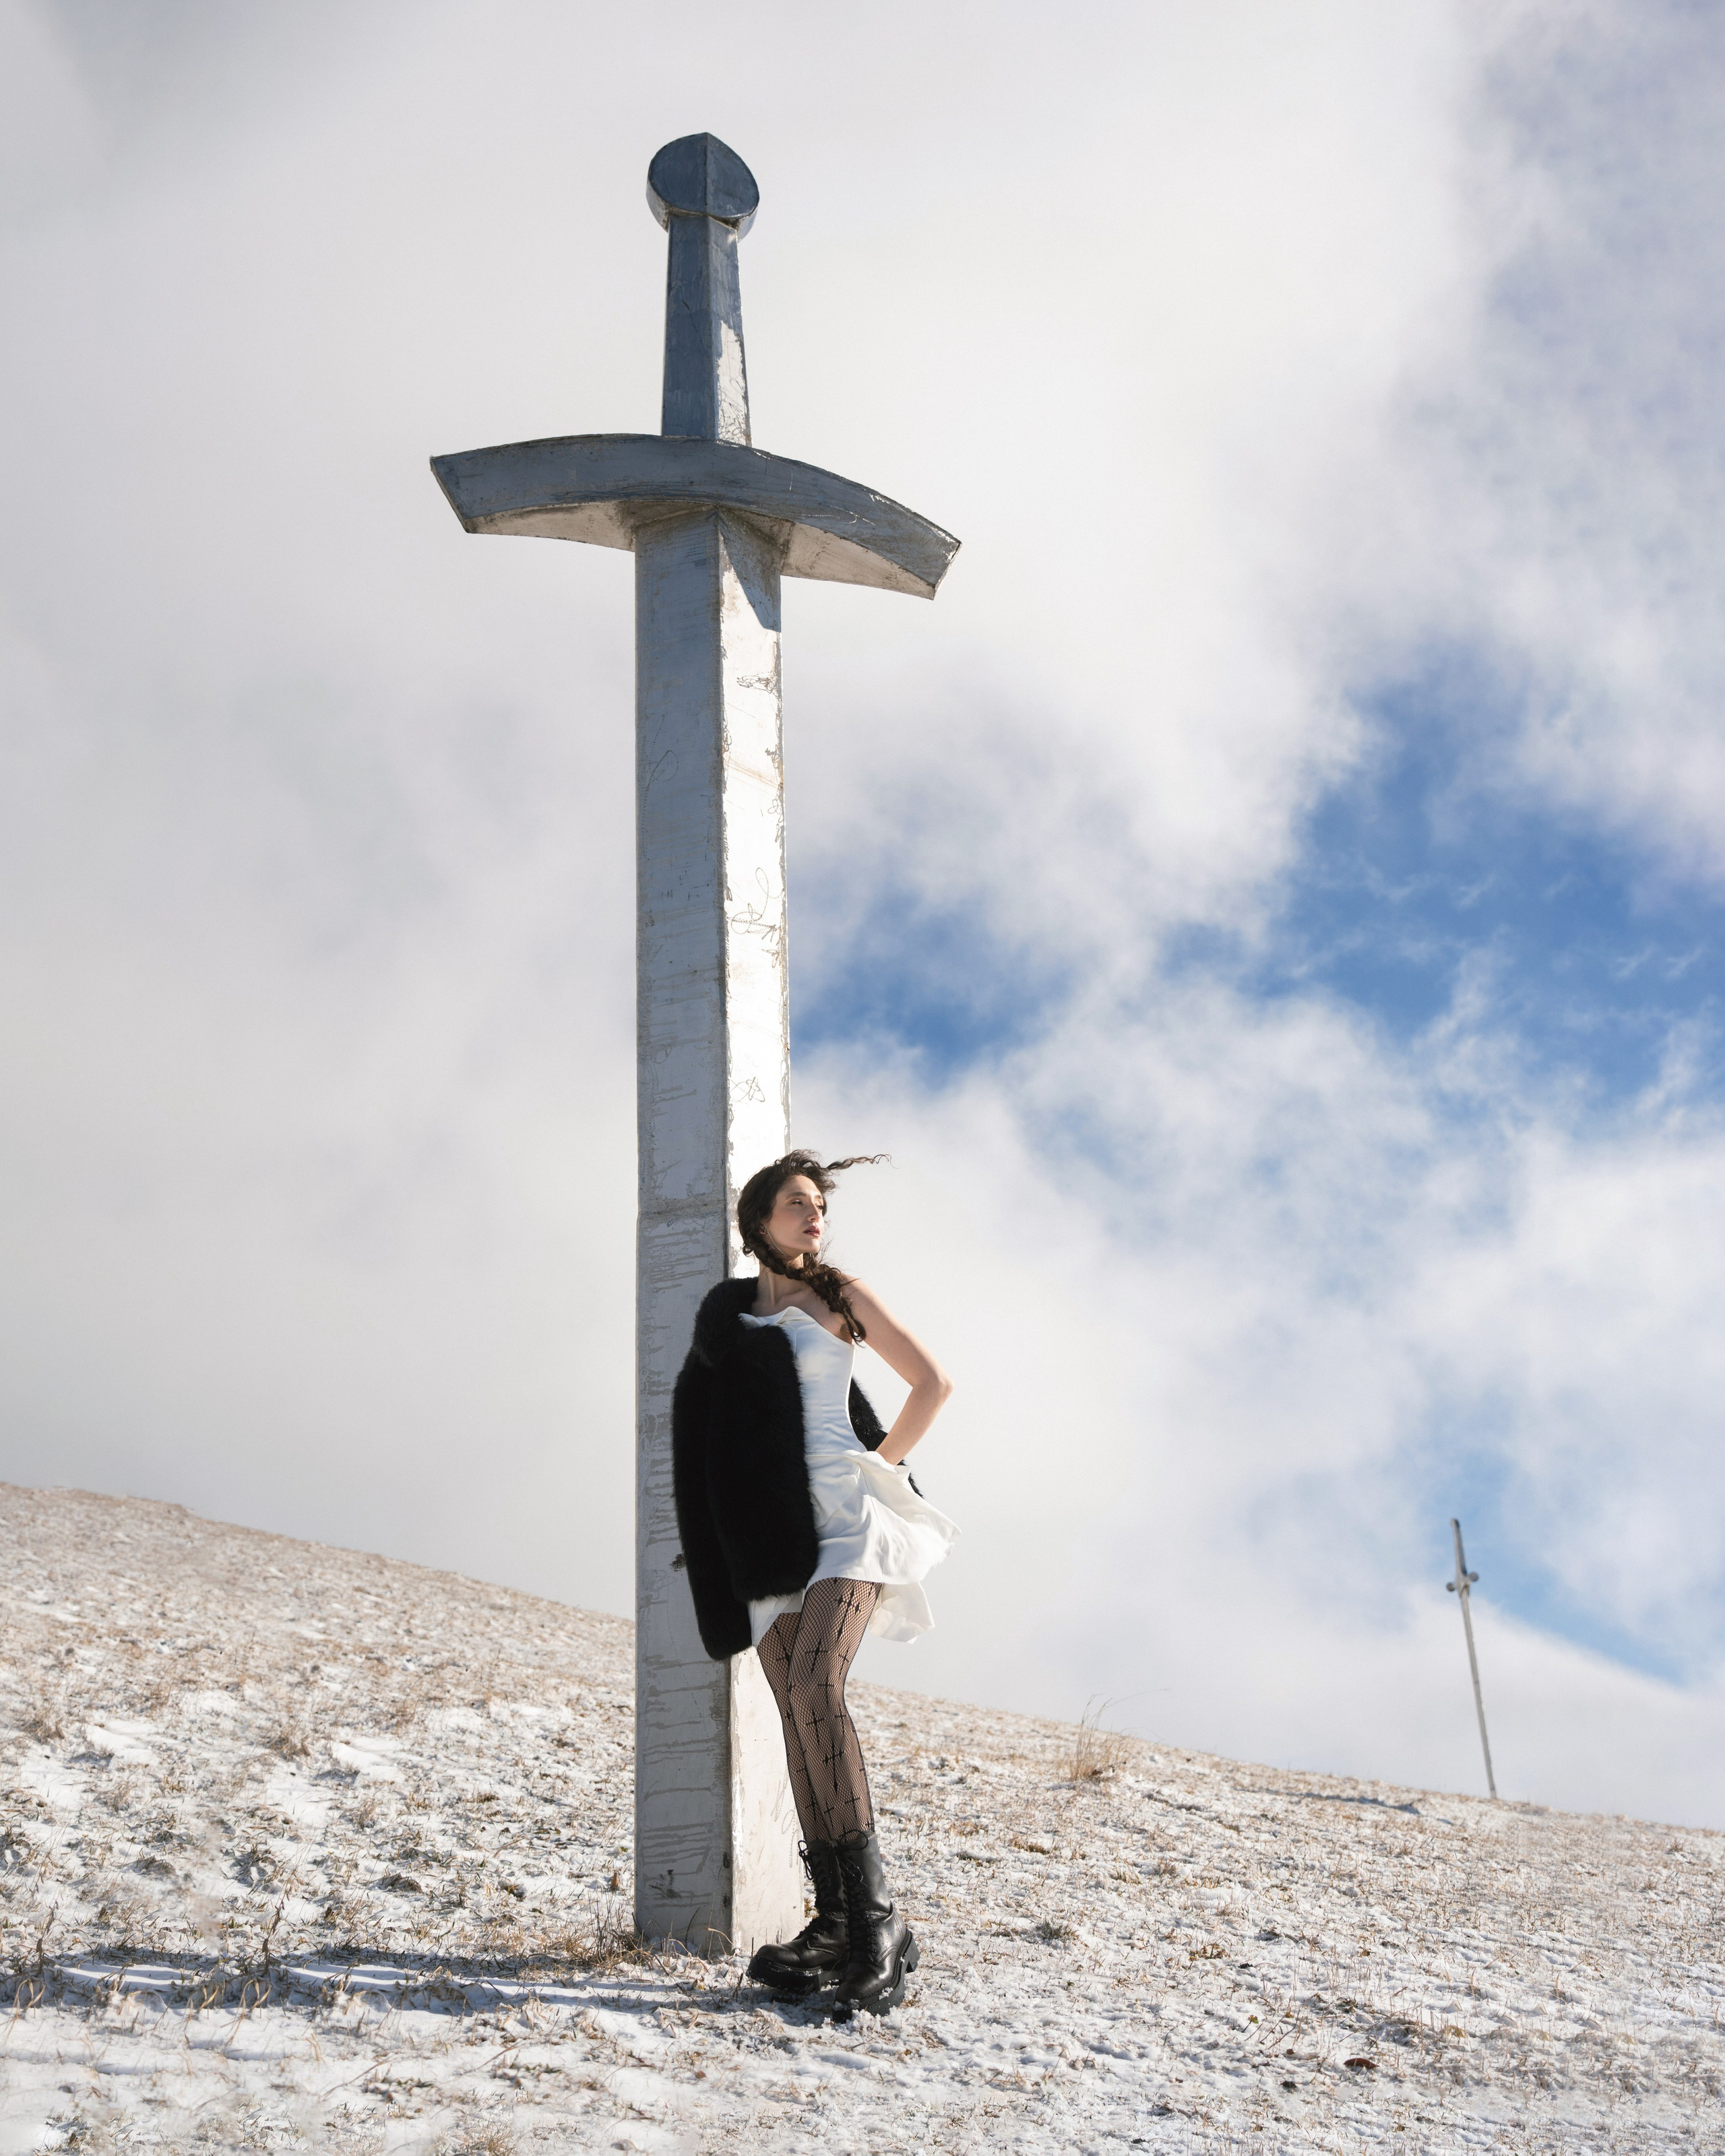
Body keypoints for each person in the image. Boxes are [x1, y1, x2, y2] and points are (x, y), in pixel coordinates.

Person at [671, 1150, 958, 2016]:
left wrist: (881, 1464)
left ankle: (878, 1924)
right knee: (795, 1711)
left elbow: (933, 1382)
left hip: (849, 1516)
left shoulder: (840, 1295)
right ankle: (833, 1921)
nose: (814, 1216)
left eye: (819, 1205)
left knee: (815, 1684)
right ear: (758, 1219)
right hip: (771, 1537)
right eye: (797, 1203)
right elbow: (700, 1445)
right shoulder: (727, 1325)